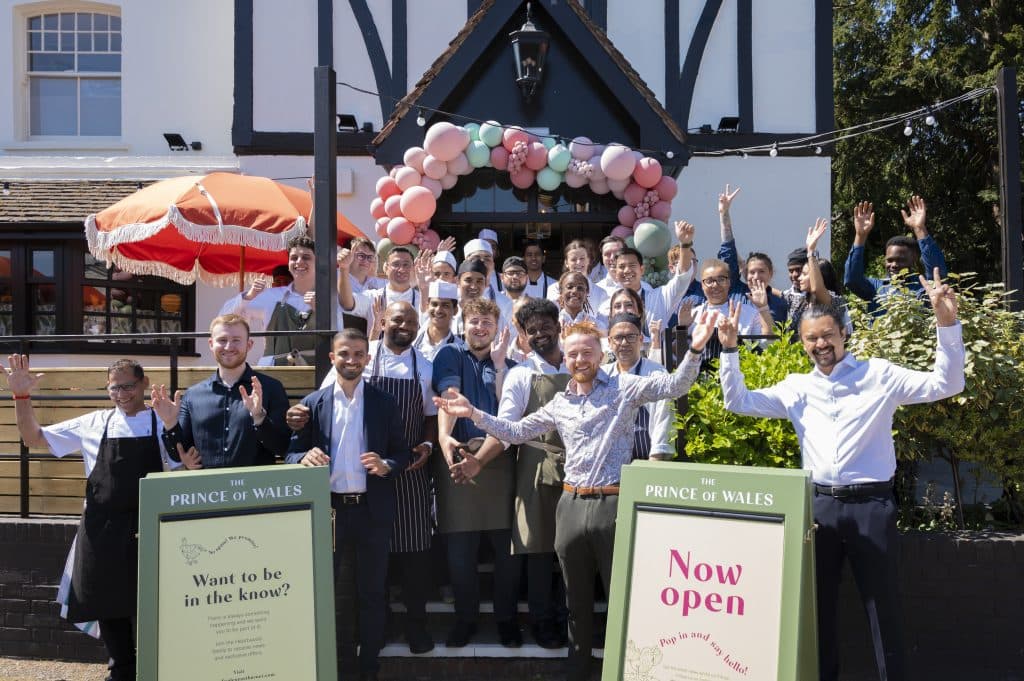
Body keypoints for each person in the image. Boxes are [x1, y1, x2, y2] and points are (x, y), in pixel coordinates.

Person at [436, 313, 719, 681]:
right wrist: (474, 413)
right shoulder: (560, 402)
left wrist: (695, 348)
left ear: (601, 355)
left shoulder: (625, 387)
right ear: (565, 357)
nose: (580, 360)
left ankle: (627, 669)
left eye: (587, 353)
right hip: (569, 505)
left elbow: (676, 385)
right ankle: (578, 666)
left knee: (620, 595)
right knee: (575, 599)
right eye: (573, 354)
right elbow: (516, 431)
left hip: (612, 504)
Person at [717, 268, 965, 681]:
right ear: (802, 342)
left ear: (844, 333)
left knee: (883, 611)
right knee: (817, 615)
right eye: (811, 338)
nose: (820, 344)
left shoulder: (879, 375)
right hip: (817, 510)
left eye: (827, 335)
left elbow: (947, 383)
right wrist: (729, 350)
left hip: (872, 507)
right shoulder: (796, 387)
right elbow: (738, 401)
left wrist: (946, 323)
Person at [2, 356, 176, 681]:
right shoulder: (94, 423)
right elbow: (33, 437)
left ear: (144, 383)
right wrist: (21, 396)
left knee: (153, 604)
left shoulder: (165, 420)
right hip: (102, 531)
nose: (121, 394)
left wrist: (176, 430)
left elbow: (184, 469)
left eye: (128, 386)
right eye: (114, 388)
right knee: (107, 603)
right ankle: (121, 670)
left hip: (151, 529)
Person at [285, 328, 411, 681]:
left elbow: (402, 452)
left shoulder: (385, 402)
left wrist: (387, 465)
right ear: (332, 358)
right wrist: (302, 458)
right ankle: (336, 666)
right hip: (330, 512)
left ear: (367, 359)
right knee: (327, 591)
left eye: (358, 354)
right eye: (344, 353)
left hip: (372, 510)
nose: (351, 360)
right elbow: (292, 452)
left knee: (372, 591)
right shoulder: (314, 403)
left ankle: (369, 666)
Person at [319, 301, 438, 654]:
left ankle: (416, 626)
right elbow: (325, 400)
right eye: (398, 319)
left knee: (415, 554)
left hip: (410, 468)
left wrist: (427, 444)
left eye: (412, 322)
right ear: (383, 321)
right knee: (375, 557)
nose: (405, 326)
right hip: (367, 473)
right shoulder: (360, 356)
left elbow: (431, 415)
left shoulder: (425, 366)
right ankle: (378, 628)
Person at [450, 298, 568, 648]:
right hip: (536, 465)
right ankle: (542, 621)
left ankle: (570, 618)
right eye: (532, 330)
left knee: (574, 548)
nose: (540, 334)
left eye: (546, 326)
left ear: (559, 327)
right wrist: (479, 460)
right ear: (524, 337)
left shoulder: (579, 364)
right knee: (538, 548)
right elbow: (505, 429)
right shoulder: (520, 374)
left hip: (579, 466)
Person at [431, 298, 521, 648]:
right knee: (460, 551)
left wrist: (498, 366)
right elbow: (449, 395)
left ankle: (506, 619)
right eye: (474, 321)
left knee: (506, 551)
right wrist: (444, 437)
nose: (480, 327)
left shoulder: (511, 367)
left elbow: (509, 417)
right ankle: (465, 619)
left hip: (500, 458)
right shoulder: (450, 354)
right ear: (463, 324)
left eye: (487, 322)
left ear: (497, 328)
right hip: (458, 454)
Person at [154, 314, 290, 468]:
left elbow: (283, 446)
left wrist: (259, 417)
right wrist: (170, 423)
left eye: (236, 340)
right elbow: (178, 454)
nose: (228, 347)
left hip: (256, 482)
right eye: (222, 340)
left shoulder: (271, 388)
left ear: (249, 345)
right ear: (211, 344)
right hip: (208, 483)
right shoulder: (193, 395)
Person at [219, 235, 318, 366]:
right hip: (273, 370)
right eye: (294, 258)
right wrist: (249, 296)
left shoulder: (329, 297)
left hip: (316, 369)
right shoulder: (271, 296)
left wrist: (320, 310)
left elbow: (338, 336)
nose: (299, 262)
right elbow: (225, 318)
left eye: (306, 257)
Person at [844, 196, 948, 311]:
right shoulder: (874, 288)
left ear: (913, 259)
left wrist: (919, 229)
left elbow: (937, 273)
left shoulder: (923, 287)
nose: (893, 265)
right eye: (889, 260)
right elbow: (852, 280)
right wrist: (860, 236)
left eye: (901, 260)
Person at [601, 313, 674, 460]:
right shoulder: (602, 376)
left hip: (646, 461)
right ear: (609, 341)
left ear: (640, 339)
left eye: (631, 337)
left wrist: (653, 463)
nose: (624, 343)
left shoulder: (657, 374)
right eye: (618, 337)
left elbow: (663, 423)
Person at [597, 219, 696, 326]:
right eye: (622, 266)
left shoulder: (659, 298)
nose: (627, 270)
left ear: (642, 270)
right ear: (616, 273)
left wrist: (685, 244)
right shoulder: (608, 307)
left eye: (632, 265)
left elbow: (682, 278)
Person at [784, 219, 852, 336]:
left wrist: (811, 251)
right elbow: (780, 294)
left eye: (804, 274)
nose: (799, 278)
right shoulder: (801, 301)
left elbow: (816, 289)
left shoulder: (833, 301)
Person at [338, 245, 420, 336]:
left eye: (406, 265)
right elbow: (347, 303)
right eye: (396, 264)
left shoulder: (422, 300)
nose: (401, 269)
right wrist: (344, 268)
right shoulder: (374, 297)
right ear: (386, 268)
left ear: (413, 269)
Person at [546, 239, 609, 314]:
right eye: (573, 259)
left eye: (582, 258)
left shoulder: (600, 292)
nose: (578, 262)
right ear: (566, 263)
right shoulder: (554, 289)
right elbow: (552, 315)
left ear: (588, 260)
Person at [413, 281, 460, 360]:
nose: (438, 310)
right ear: (427, 307)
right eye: (434, 304)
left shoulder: (460, 349)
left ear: (455, 310)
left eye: (445, 305)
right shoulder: (412, 342)